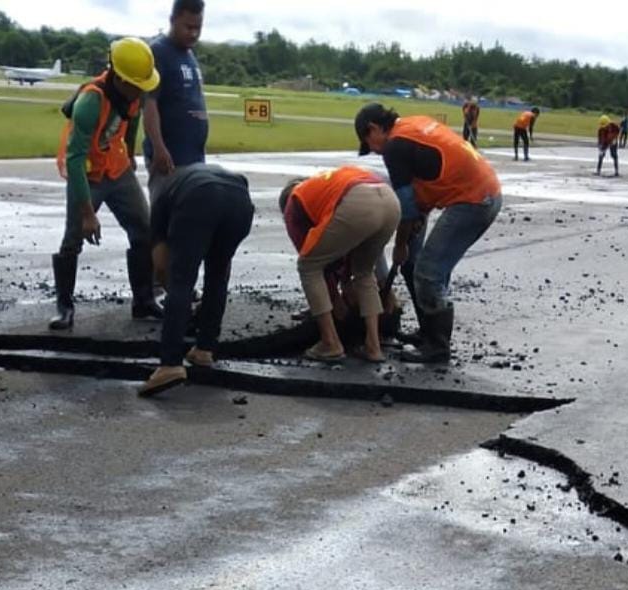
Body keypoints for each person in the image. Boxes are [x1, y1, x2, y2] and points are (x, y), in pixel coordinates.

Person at [355, 103, 503, 364]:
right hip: (483, 192)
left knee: (428, 271)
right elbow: (427, 184)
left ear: (373, 129)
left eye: (370, 144)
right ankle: (429, 331)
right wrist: (411, 240)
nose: (375, 153)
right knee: (415, 265)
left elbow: (407, 209)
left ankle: (437, 347)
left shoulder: (394, 146)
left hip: (473, 201)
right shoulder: (413, 125)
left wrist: (401, 245)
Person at [49, 37, 163, 331]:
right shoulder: (90, 101)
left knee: (144, 229)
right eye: (136, 84)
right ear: (120, 78)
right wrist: (88, 214)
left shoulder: (134, 94)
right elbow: (74, 159)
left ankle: (144, 300)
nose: (141, 90)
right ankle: (65, 307)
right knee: (72, 239)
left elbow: (132, 117)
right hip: (86, 174)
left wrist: (129, 150)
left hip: (118, 169)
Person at [138, 163, 254, 397]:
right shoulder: (190, 178)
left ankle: (170, 364)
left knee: (182, 280)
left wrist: (178, 304)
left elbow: (162, 267)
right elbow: (222, 268)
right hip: (241, 203)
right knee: (218, 275)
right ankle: (204, 349)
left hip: (200, 198)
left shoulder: (161, 201)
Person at [279, 167, 401, 363]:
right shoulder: (323, 188)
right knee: (364, 272)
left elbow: (315, 261)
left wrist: (335, 299)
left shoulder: (294, 204)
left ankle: (330, 343)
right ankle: (373, 346)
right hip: (389, 200)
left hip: (358, 202)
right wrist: (344, 283)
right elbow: (344, 248)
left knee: (308, 266)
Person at [143, 0, 207, 188]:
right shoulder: (158, 52)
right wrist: (158, 148)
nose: (194, 33)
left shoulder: (189, 54)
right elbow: (149, 103)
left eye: (198, 28)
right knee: (167, 214)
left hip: (193, 158)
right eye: (188, 27)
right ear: (173, 20)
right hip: (169, 159)